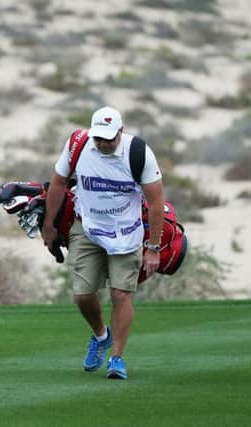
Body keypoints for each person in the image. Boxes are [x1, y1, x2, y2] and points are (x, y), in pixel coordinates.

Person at [42, 106, 163, 380]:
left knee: (121, 294)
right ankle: (101, 335)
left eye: (109, 138)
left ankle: (116, 358)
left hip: (127, 233)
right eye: (99, 138)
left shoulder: (139, 152)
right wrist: (49, 226)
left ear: (120, 132)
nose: (103, 143)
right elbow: (59, 183)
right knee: (83, 295)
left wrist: (153, 248)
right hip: (87, 228)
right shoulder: (78, 144)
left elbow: (156, 203)